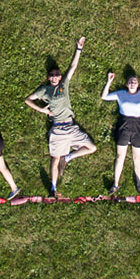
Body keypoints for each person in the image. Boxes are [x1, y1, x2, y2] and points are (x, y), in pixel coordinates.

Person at [25, 36, 97, 197]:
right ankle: (53, 188)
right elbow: (28, 100)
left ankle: (70, 156)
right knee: (55, 159)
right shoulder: (44, 90)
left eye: (56, 75)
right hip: (57, 130)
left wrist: (79, 49)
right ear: (48, 77)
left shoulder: (63, 85)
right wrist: (43, 110)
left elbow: (72, 66)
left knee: (92, 148)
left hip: (71, 127)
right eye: (51, 75)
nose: (54, 77)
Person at [101, 72, 140, 194]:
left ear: (138, 84)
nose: (132, 83)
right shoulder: (121, 94)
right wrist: (109, 81)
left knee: (137, 157)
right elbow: (104, 96)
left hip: (138, 126)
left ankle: (139, 185)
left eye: (134, 81)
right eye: (130, 81)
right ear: (126, 84)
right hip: (123, 125)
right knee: (120, 156)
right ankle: (115, 184)